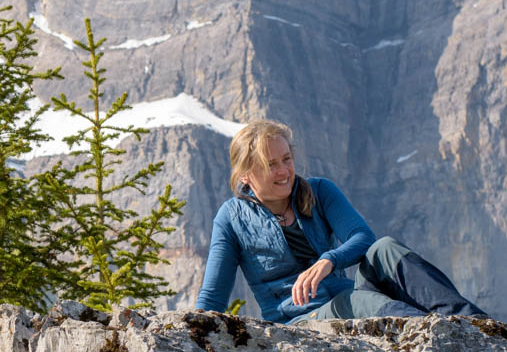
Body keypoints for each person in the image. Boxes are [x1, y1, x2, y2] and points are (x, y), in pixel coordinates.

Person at [196, 119, 487, 324]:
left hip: (346, 297)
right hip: (299, 320)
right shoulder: (232, 218)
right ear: (246, 174)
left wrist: (329, 260)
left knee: (385, 248)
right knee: (360, 302)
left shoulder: (320, 190)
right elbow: (213, 297)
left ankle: (473, 325)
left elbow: (363, 238)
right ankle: (431, 331)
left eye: (286, 159)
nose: (284, 171)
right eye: (271, 165)